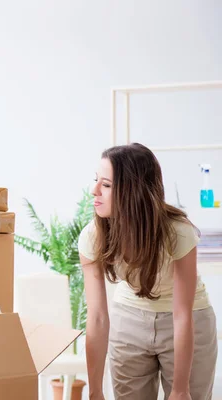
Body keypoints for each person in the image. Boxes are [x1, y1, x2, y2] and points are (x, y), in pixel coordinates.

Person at [79, 143, 217, 400]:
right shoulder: (93, 236)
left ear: (133, 190)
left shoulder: (178, 232)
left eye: (106, 185)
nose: (93, 191)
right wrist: (95, 391)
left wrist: (180, 389)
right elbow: (97, 317)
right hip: (129, 318)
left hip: (188, 322)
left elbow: (182, 313)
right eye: (96, 181)